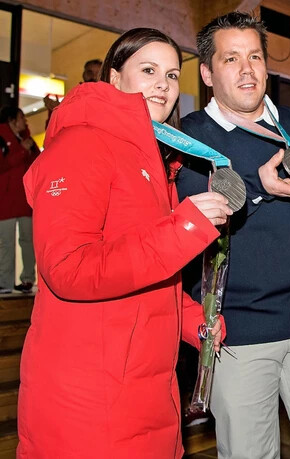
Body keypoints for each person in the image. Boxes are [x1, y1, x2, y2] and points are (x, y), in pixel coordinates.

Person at [16, 28, 230, 458]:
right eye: (148, 70)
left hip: (148, 389)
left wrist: (191, 319)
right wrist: (185, 228)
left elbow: (144, 268)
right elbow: (69, 269)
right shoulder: (81, 144)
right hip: (91, 396)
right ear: (114, 79)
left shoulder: (153, 164)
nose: (163, 85)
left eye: (172, 76)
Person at [175, 12, 290, 459]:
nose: (247, 69)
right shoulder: (187, 139)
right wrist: (259, 184)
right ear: (207, 72)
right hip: (234, 333)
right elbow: (193, 215)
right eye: (231, 58)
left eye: (255, 56)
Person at [0, 107, 38, 294]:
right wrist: (21, 151)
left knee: (27, 240)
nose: (26, 121)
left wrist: (28, 149)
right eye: (22, 117)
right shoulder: (2, 137)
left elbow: (37, 164)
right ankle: (4, 282)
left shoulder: (27, 139)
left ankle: (28, 279)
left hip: (25, 199)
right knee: (6, 242)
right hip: (5, 200)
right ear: (12, 120)